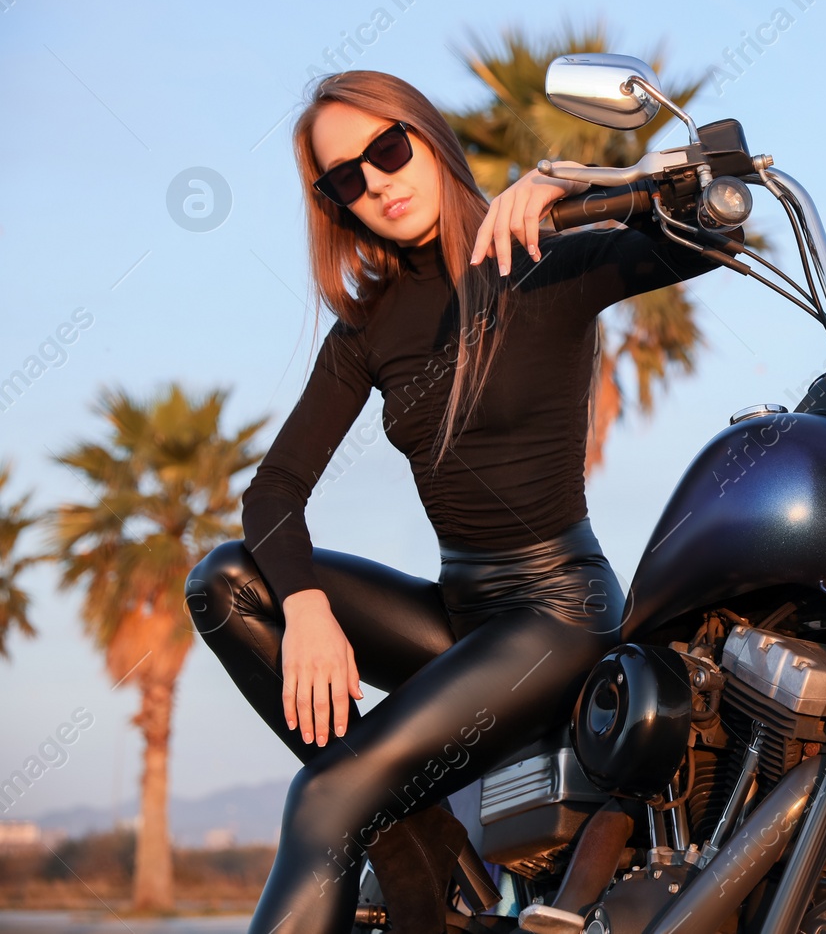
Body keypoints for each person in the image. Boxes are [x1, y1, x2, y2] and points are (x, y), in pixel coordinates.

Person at [185, 68, 733, 934]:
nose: (375, 184)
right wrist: (307, 605)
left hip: (559, 611)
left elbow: (712, 223)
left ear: (429, 140)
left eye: (388, 151)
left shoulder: (548, 252)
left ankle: (380, 818)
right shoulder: (370, 325)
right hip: (461, 611)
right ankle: (411, 828)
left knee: (326, 800)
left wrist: (577, 181)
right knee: (225, 581)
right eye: (344, 181)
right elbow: (274, 491)